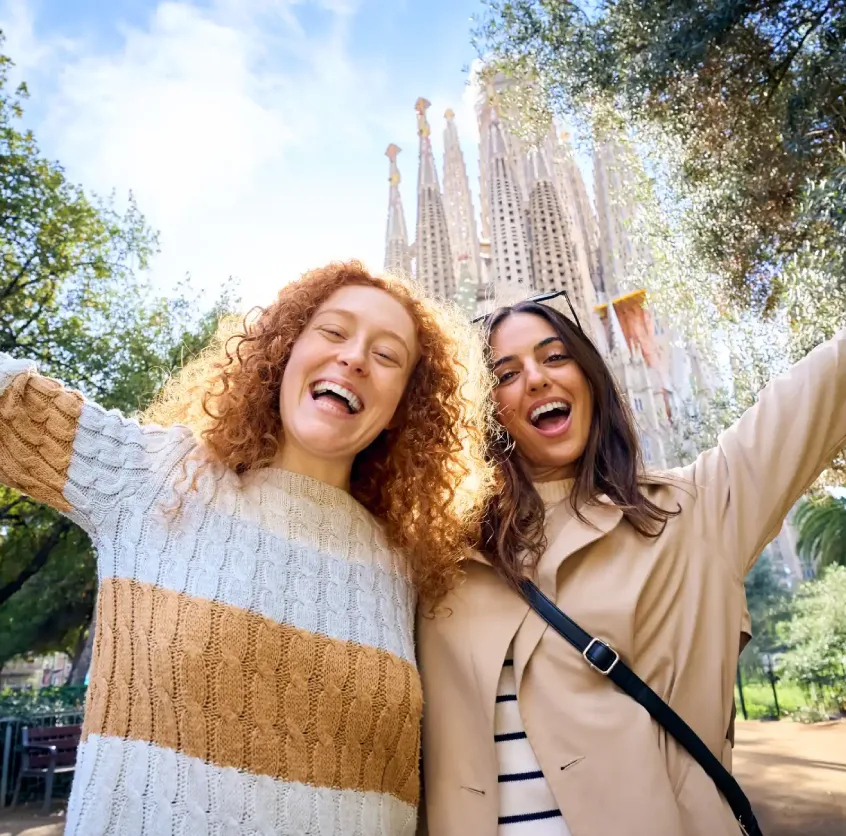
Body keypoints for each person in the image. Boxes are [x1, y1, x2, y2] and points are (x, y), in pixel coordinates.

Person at [0, 261, 488, 835]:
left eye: (387, 356)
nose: (354, 358)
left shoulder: (407, 566)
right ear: (283, 352)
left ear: (404, 407)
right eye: (333, 332)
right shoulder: (159, 477)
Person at [417, 294, 846, 836]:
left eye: (554, 357)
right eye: (506, 373)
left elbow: (821, 391)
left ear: (590, 378)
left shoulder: (692, 511)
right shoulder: (439, 554)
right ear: (482, 409)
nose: (536, 379)